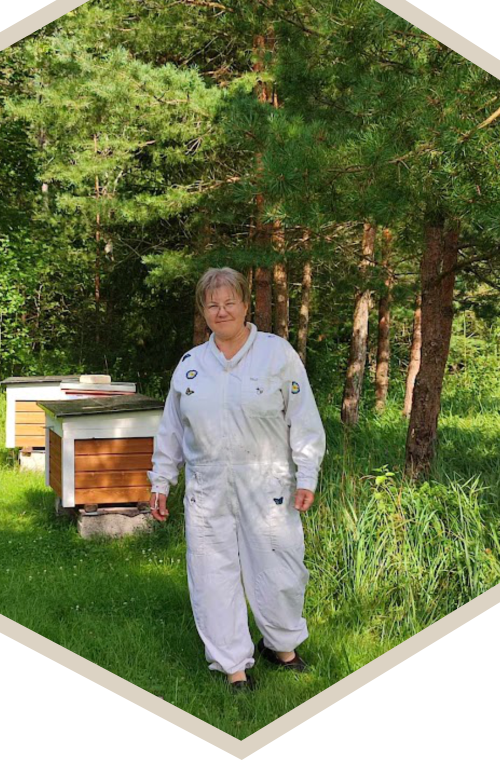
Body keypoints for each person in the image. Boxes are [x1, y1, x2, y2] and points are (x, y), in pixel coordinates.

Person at [147, 267, 326, 691]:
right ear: (203, 311)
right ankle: (233, 667)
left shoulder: (277, 355)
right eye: (212, 304)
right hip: (207, 488)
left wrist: (307, 474)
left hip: (268, 485)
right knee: (213, 576)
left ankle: (281, 646)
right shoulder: (191, 365)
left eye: (230, 302)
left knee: (281, 571)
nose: (222, 311)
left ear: (246, 305)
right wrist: (161, 481)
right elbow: (171, 429)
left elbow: (303, 420)